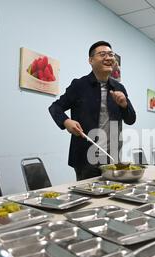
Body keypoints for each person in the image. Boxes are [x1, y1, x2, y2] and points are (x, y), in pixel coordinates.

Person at [49, 41, 136, 180]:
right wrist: (66, 121)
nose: (108, 58)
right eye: (102, 54)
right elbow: (55, 107)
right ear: (91, 60)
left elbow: (131, 120)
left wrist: (125, 105)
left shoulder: (119, 88)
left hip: (112, 157)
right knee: (89, 198)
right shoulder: (79, 85)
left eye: (111, 54)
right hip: (85, 158)